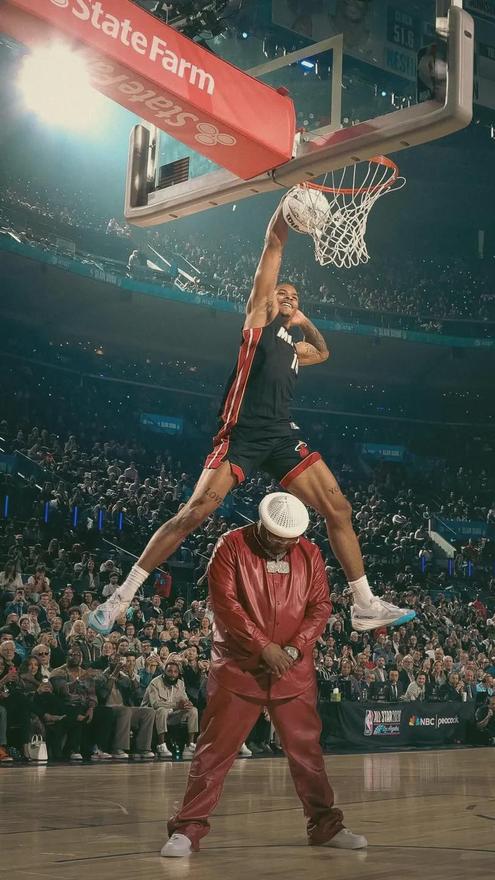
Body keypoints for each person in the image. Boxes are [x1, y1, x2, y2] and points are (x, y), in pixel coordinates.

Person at [89, 203, 414, 637]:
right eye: (284, 293)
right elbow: (274, 244)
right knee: (194, 513)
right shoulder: (259, 322)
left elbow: (323, 352)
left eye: (295, 297)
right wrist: (286, 207)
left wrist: (303, 319)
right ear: (269, 297)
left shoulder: (293, 347)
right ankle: (121, 597)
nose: (289, 298)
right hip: (241, 434)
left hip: (280, 436)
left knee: (340, 508)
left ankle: (365, 605)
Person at [160, 492, 367, 857]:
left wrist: (294, 648)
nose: (285, 545)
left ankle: (325, 826)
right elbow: (226, 605)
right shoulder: (230, 546)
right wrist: (264, 647)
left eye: (292, 540)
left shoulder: (310, 553)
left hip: (292, 669)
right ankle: (188, 828)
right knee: (214, 752)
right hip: (239, 669)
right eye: (278, 539)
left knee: (307, 754)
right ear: (263, 527)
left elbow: (321, 606)